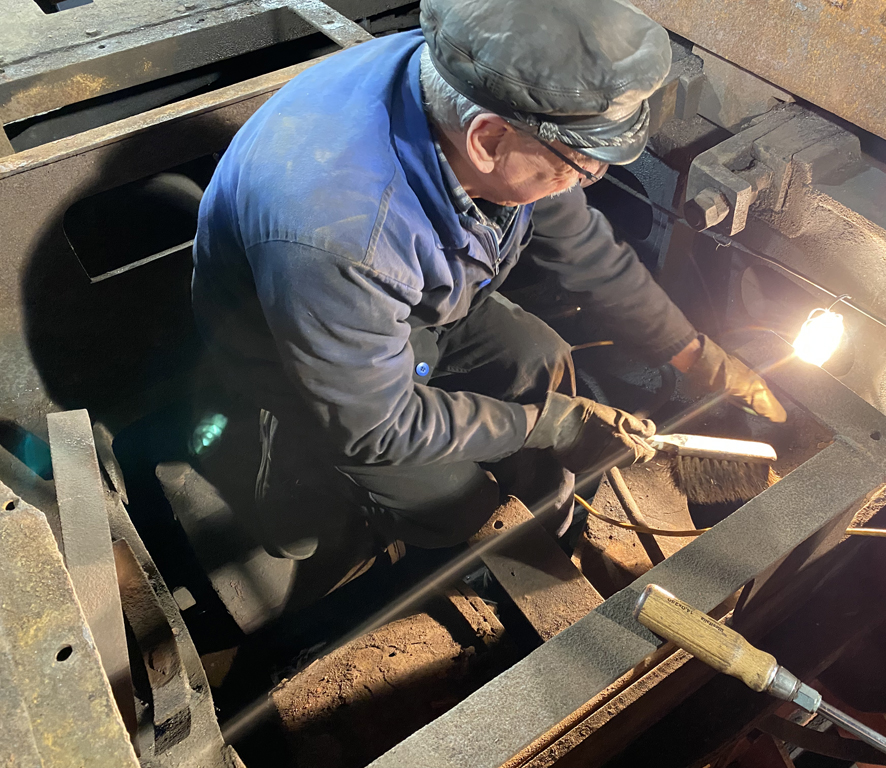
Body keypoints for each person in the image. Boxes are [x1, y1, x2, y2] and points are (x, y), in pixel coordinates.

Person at [191, 0, 786, 598]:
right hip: (300, 358)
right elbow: (376, 426)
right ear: (489, 140)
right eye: (581, 166)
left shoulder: (483, 87)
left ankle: (541, 515)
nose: (586, 180)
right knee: (457, 505)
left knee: (541, 360)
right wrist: (548, 424)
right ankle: (307, 490)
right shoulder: (340, 234)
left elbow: (579, 242)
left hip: (412, 304)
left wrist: (692, 353)